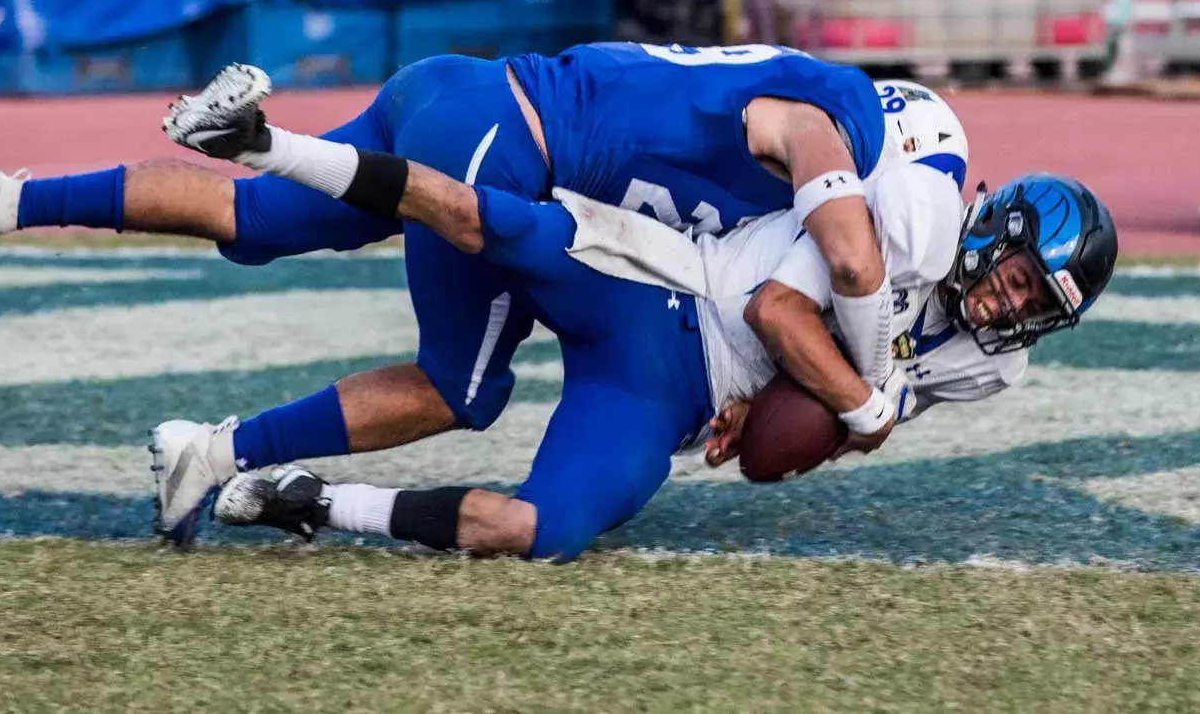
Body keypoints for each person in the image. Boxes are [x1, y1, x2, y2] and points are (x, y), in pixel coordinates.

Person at [0, 46, 951, 524]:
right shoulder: (834, 114)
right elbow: (844, 246)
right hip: (508, 144)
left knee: (254, 225)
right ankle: (261, 151)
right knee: (463, 385)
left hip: (460, 86)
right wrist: (870, 393)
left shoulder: (814, 136)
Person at [145, 76, 1117, 560]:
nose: (1013, 303)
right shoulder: (916, 204)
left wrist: (816, 406)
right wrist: (858, 400)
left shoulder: (992, 365)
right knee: (475, 214)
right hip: (654, 274)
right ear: (998, 228)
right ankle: (267, 141)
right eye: (1023, 277)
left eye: (1039, 305)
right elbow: (788, 307)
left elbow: (852, 402)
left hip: (665, 389)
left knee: (533, 527)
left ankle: (304, 497)